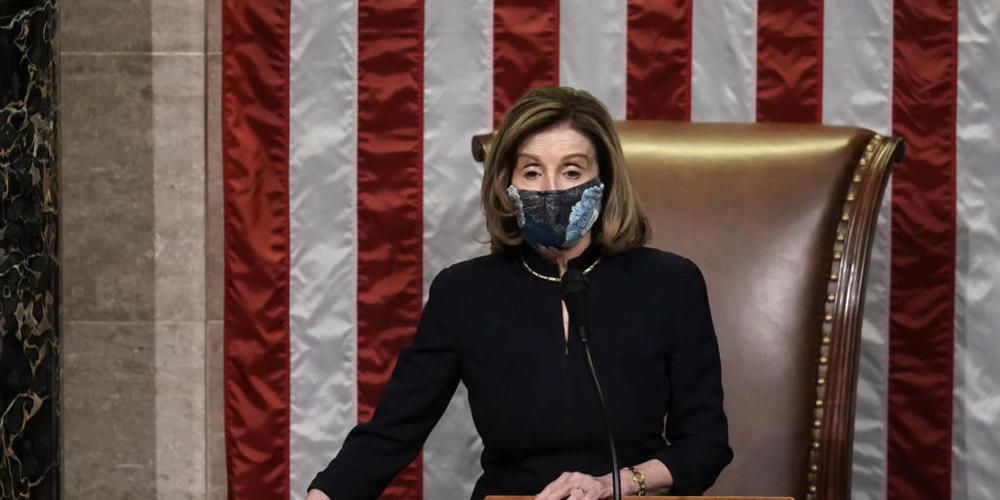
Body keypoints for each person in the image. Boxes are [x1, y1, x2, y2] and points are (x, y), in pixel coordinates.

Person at [307, 86, 732, 500]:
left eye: (571, 170)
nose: (550, 188)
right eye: (532, 171)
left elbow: (705, 444)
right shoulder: (464, 292)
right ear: (507, 186)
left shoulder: (671, 283)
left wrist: (611, 484)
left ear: (604, 180)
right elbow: (392, 433)